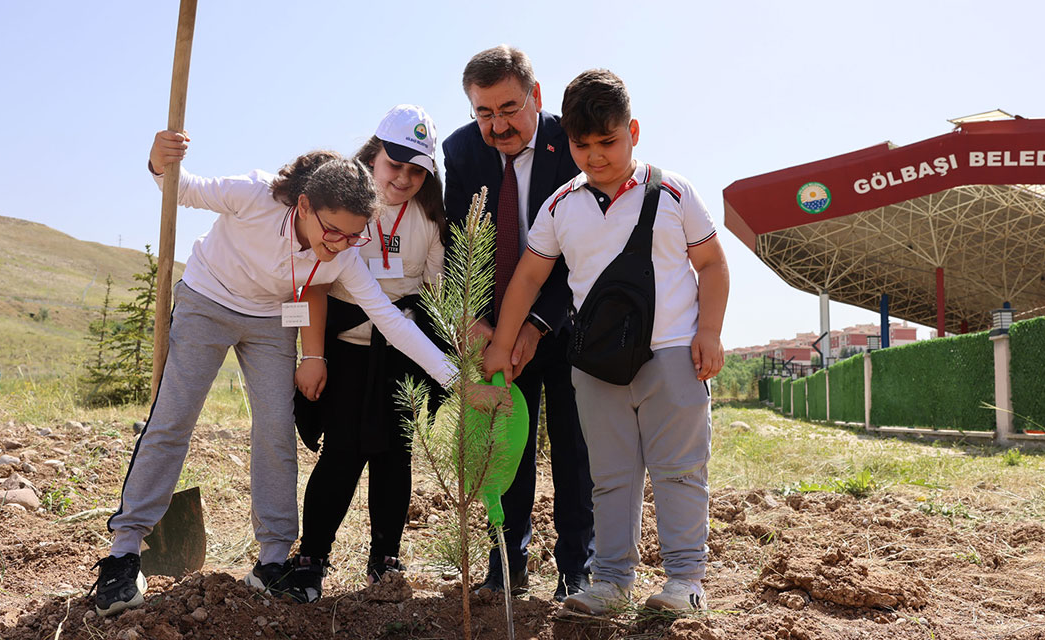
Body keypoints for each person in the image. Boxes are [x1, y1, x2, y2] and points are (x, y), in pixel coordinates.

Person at [92, 129, 463, 616]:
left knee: (274, 432)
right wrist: (161, 163)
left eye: (354, 236)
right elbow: (182, 189)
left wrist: (457, 380)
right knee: (174, 418)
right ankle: (123, 551)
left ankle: (271, 560)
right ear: (304, 206)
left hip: (271, 318)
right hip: (209, 300)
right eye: (333, 231)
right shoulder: (253, 194)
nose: (340, 246)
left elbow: (391, 321)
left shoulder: (346, 254)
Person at [482, 68, 730, 614]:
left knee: (679, 471)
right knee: (610, 478)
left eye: (608, 142)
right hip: (594, 366)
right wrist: (501, 344)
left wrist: (708, 331)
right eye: (581, 144)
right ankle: (612, 582)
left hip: (674, 355)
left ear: (633, 131)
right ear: (566, 140)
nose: (595, 156)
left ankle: (685, 581)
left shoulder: (673, 191)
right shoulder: (559, 206)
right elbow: (528, 277)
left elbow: (711, 264)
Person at [442, 44, 595, 602]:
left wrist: (533, 326)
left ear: (535, 96)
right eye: (484, 112)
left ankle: (577, 566)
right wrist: (483, 325)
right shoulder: (461, 151)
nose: (497, 125)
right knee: (507, 444)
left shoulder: (569, 144)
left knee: (574, 448)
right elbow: (465, 243)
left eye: (508, 108)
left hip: (567, 319)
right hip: (497, 331)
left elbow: (580, 251)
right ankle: (507, 561)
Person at [288, 105, 447, 599]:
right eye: (394, 165)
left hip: (402, 351)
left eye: (416, 170)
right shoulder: (336, 198)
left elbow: (439, 290)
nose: (403, 178)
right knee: (340, 454)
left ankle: (386, 559)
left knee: (396, 456)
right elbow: (306, 282)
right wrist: (308, 354)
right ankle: (312, 557)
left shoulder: (429, 217)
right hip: (341, 349)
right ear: (373, 155)